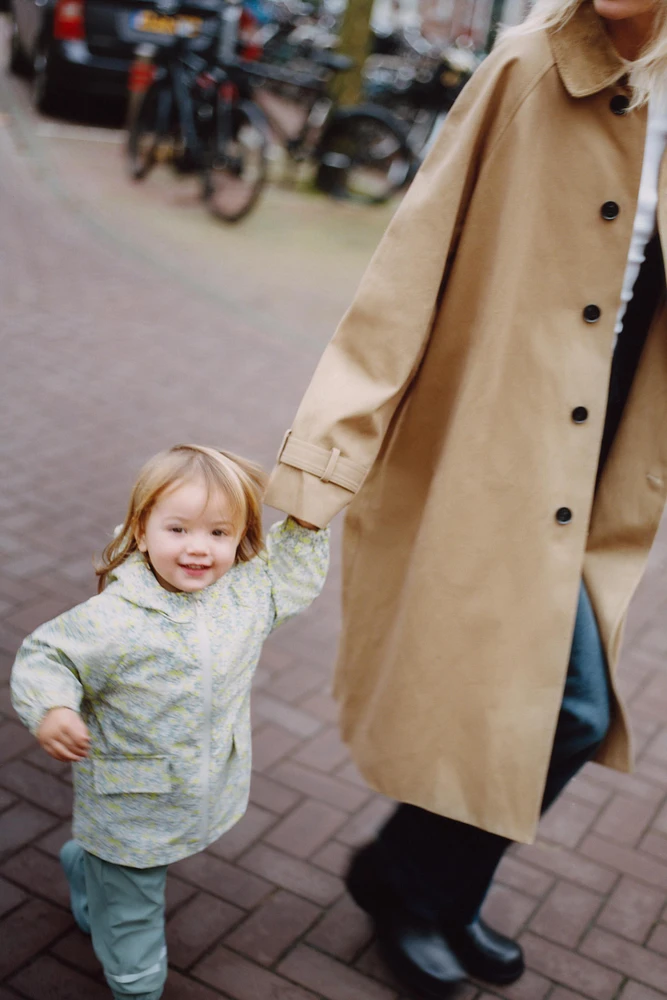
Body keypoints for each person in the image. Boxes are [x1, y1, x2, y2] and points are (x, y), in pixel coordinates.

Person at [264, 0, 667, 995]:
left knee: (543, 705)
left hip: (609, 440)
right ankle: (407, 881)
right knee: (569, 707)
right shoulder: (529, 65)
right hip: (505, 437)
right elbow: (410, 258)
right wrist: (328, 453)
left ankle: (435, 888)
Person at [11, 444, 329, 1000]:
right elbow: (48, 657)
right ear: (141, 529)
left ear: (240, 537)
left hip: (196, 783)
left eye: (218, 533)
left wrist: (305, 523)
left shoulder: (245, 595)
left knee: (128, 872)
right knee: (133, 909)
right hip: (129, 804)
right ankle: (137, 986)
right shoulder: (114, 618)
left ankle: (83, 865)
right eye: (178, 529)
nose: (198, 549)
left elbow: (289, 580)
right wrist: (53, 707)